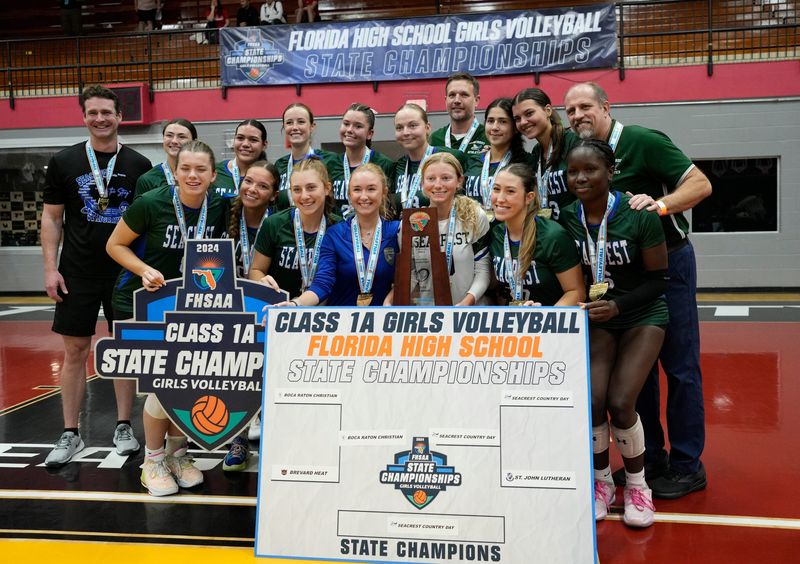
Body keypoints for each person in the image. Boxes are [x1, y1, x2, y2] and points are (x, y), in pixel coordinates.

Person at [564, 81, 712, 499]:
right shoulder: (580, 154)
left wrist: (660, 205)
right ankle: (655, 458)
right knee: (639, 377)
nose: (577, 116)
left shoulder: (643, 141)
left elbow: (701, 184)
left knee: (680, 367)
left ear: (606, 106)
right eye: (570, 110)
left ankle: (687, 464)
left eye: (585, 107)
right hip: (621, 275)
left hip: (670, 261)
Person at [106, 141, 229, 496]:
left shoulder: (218, 207)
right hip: (141, 303)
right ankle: (153, 460)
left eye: (200, 169)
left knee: (187, 385)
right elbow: (114, 245)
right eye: (185, 168)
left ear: (212, 175)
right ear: (174, 172)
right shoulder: (151, 203)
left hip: (190, 308)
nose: (192, 175)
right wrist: (144, 269)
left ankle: (178, 455)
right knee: (162, 386)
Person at [559, 138, 670, 528]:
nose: (580, 177)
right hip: (599, 318)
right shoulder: (568, 218)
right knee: (591, 400)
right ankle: (602, 482)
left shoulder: (639, 214)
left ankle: (638, 485)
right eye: (573, 171)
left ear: (611, 171)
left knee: (622, 401)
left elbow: (659, 280)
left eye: (590, 169)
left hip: (642, 314)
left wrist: (620, 305)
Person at [41, 85, 151, 467]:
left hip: (124, 274)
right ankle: (70, 432)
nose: (100, 118)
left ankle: (124, 427)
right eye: (93, 112)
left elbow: (146, 224)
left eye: (107, 112)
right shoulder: (64, 161)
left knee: (122, 351)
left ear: (120, 117)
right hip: (77, 272)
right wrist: (50, 268)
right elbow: (52, 218)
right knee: (74, 351)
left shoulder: (139, 165)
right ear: (84, 116)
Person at [287, 164, 399, 306]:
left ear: (384, 192)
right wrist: (295, 304)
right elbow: (323, 283)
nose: (364, 196)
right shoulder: (334, 235)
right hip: (341, 324)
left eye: (371, 189)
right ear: (349, 195)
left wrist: (391, 298)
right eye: (357, 190)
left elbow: (409, 278)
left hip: (383, 322)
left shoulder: (397, 232)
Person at [488, 164, 584, 306]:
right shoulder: (496, 234)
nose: (500, 198)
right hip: (510, 322)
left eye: (510, 191)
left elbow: (576, 292)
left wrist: (544, 317)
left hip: (550, 323)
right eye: (496, 189)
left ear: (529, 197)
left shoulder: (553, 236)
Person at [415, 152, 491, 305]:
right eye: (431, 179)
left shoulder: (474, 217)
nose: (438, 185)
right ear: (422, 183)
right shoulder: (413, 224)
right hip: (429, 315)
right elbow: (410, 275)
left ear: (459, 181)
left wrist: (465, 304)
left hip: (469, 314)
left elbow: (483, 270)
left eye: (446, 178)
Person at [512, 88, 579, 220]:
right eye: (517, 118)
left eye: (529, 113)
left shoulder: (573, 143)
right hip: (549, 233)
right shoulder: (537, 152)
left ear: (547, 110)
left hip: (576, 232)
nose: (523, 122)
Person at [463, 97, 534, 216]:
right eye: (490, 121)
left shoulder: (527, 162)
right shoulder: (472, 161)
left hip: (508, 232)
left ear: (515, 128)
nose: (495, 127)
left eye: (503, 121)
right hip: (475, 232)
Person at [392, 103, 466, 216]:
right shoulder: (399, 166)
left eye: (412, 125)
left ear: (427, 128)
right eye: (399, 127)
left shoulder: (452, 156)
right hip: (409, 231)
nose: (406, 132)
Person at [333, 103, 395, 217]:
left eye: (358, 126)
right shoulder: (330, 164)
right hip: (339, 232)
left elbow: (389, 208)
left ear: (369, 134)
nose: (350, 130)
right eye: (346, 124)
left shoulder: (385, 164)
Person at [274, 103, 338, 206]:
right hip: (288, 221)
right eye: (289, 122)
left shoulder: (330, 160)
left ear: (312, 126)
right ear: (284, 128)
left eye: (301, 122)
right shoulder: (280, 165)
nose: (295, 127)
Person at [228, 160, 279, 278]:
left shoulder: (279, 224)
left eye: (263, 186)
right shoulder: (224, 210)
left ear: (273, 196)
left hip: (262, 294)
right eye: (248, 181)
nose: (252, 189)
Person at [135, 119, 197, 199]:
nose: (174, 141)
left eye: (182, 137)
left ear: (194, 142)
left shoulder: (203, 176)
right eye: (169, 135)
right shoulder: (148, 180)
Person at [430, 72, 488, 156]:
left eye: (464, 95)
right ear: (446, 100)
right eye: (452, 95)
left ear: (476, 100)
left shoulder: (488, 137)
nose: (457, 100)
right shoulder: (435, 139)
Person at [213, 119, 268, 199]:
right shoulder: (215, 171)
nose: (245, 144)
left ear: (264, 145)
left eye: (253, 140)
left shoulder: (269, 176)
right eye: (240, 138)